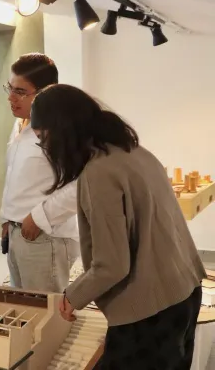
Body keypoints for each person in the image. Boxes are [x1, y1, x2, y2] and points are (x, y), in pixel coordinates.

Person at [30, 84, 206, 369]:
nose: (46, 150)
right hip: (184, 291)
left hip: (150, 309)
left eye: (43, 139)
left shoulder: (99, 172)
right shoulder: (134, 151)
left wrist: (72, 297)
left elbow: (112, 265)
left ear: (61, 131)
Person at [0, 53, 79, 292]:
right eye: (10, 88)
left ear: (46, 92)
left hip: (46, 235)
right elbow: (16, 178)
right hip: (18, 234)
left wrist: (39, 217)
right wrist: (7, 218)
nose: (11, 97)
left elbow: (82, 185)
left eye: (20, 91)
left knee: (45, 311)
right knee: (25, 308)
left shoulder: (60, 130)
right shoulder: (21, 123)